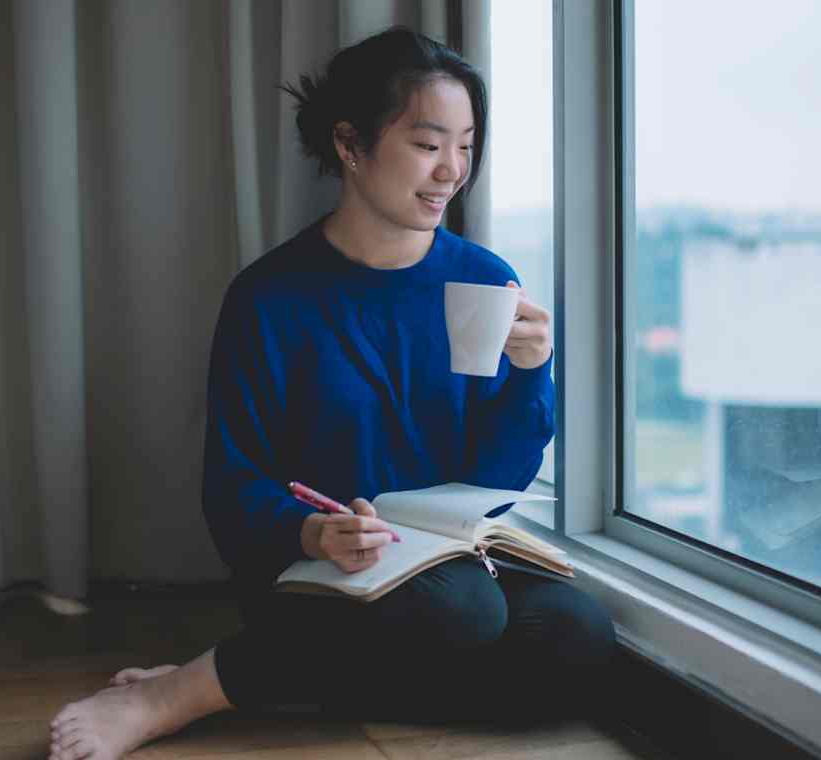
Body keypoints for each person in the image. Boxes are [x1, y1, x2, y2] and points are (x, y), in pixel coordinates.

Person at [48, 27, 614, 760]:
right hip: (314, 572)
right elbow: (232, 486)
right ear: (350, 145)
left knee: (579, 637)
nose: (452, 171)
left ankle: (269, 678)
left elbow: (494, 484)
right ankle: (176, 693)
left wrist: (533, 372)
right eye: (428, 143)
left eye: (467, 145)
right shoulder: (270, 297)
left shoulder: (484, 280)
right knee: (466, 613)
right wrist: (315, 532)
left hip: (440, 572)